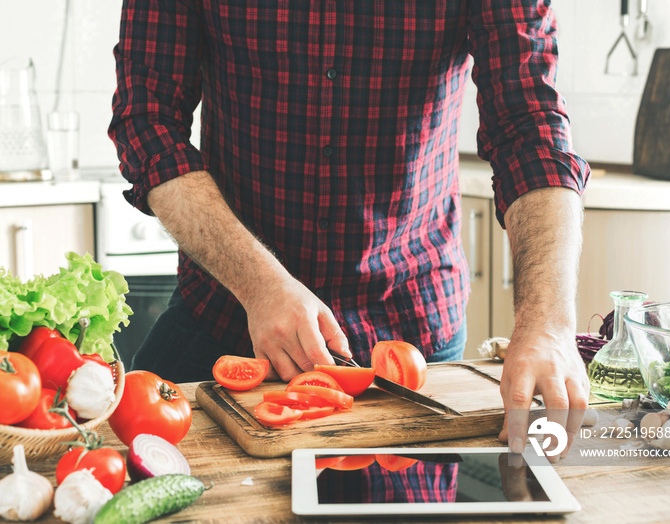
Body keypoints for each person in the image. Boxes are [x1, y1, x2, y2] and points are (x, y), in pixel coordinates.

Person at [109, 0, 590, 457]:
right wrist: (260, 286)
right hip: (224, 318)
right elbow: (148, 121)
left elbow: (531, 129)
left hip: (413, 334)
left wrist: (549, 322)